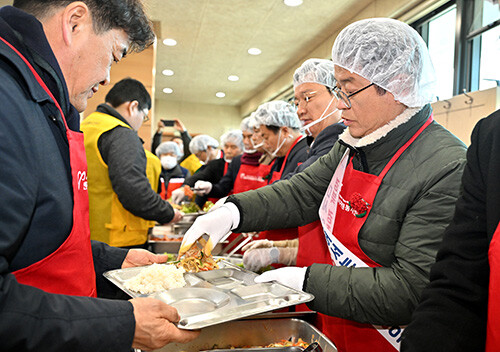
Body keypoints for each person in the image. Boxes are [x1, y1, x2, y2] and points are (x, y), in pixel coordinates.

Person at [178, 18, 467, 352]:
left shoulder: (446, 165)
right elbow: (302, 192)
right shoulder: (354, 143)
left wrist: (307, 280)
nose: (340, 101)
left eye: (348, 88)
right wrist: (232, 213)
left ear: (397, 84)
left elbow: (412, 288)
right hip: (338, 327)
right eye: (337, 88)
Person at [0, 1, 198, 351]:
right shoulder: (8, 102)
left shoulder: (51, 105)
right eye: (113, 54)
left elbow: (41, 237)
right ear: (74, 22)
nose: (108, 77)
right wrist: (121, 324)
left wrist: (115, 261)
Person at [399, 109, 500, 351]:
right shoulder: (492, 138)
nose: (341, 104)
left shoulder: (445, 159)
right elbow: (460, 283)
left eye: (349, 89)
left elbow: (408, 281)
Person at [243, 58, 346, 271]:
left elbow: (298, 193)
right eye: (297, 102)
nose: (299, 110)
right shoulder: (316, 145)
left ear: (337, 94)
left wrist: (239, 211)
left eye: (307, 97)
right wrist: (280, 249)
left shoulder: (338, 145)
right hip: (310, 263)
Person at [82, 78, 183, 249]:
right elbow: (134, 192)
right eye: (144, 117)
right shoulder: (121, 133)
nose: (139, 124)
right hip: (118, 239)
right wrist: (168, 213)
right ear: (133, 106)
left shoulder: (86, 126)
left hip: (85, 234)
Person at [193, 128, 264, 198]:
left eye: (233, 147)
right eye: (226, 147)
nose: (228, 151)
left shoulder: (263, 161)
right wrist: (209, 188)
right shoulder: (235, 162)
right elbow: (223, 188)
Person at [171, 134, 223, 206]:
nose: (198, 159)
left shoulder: (226, 160)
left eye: (199, 155)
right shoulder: (206, 165)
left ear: (208, 148)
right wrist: (184, 188)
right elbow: (198, 176)